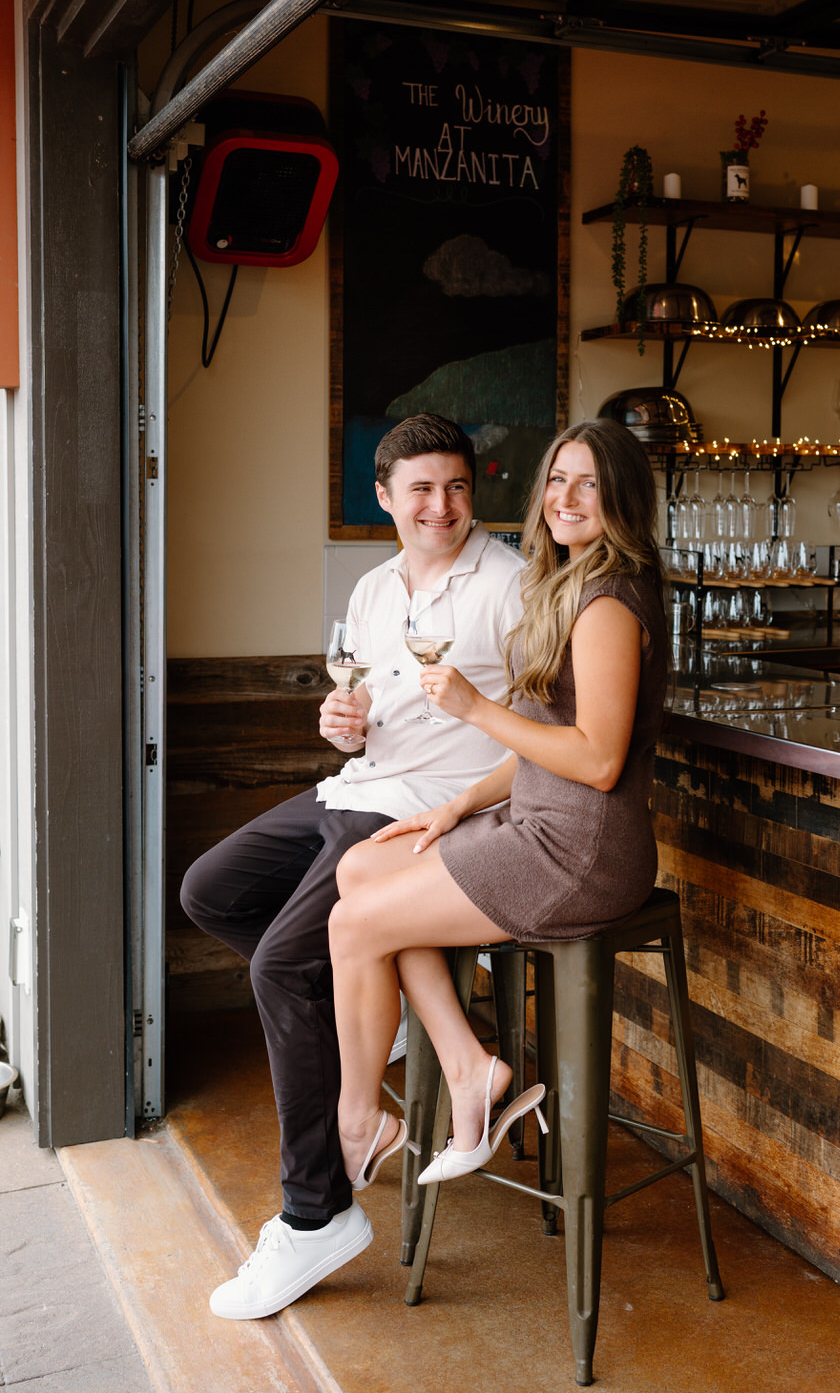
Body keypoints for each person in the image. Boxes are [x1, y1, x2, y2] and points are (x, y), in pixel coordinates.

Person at [180, 413, 524, 1318]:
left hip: (433, 811)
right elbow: (362, 703)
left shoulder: (514, 584)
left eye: (455, 486)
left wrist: (463, 797)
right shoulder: (374, 589)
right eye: (420, 489)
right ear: (385, 497)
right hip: (361, 785)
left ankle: (316, 1212)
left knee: (279, 965)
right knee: (209, 890)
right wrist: (343, 722)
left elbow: (544, 737)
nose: (440, 506)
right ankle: (363, 1001)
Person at [328, 418, 668, 1193]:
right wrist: (458, 806)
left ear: (622, 497)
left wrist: (476, 709)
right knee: (365, 867)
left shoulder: (610, 600)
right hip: (535, 824)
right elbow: (545, 740)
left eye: (589, 482)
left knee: (354, 921)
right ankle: (468, 1066)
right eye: (556, 479)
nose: (567, 497)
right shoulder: (571, 584)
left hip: (581, 850)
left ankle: (356, 1124)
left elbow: (599, 760)